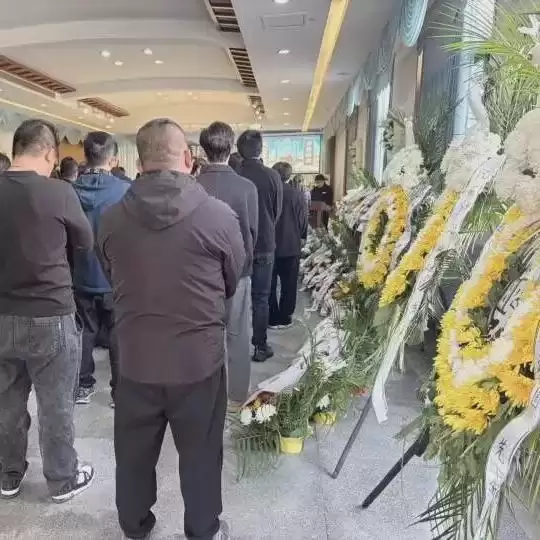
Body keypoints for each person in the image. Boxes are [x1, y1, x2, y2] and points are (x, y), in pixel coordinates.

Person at [98, 118, 245, 540]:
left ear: (140, 162)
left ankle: (134, 526)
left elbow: (110, 273)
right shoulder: (219, 216)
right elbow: (232, 277)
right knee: (201, 453)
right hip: (198, 360)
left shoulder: (111, 219)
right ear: (187, 158)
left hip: (135, 357)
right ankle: (203, 528)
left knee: (133, 453)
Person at [0, 119, 94, 502]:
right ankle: (61, 479)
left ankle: (8, 475)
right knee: (55, 403)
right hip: (51, 312)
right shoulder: (59, 192)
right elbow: (85, 241)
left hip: (2, 314)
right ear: (51, 153)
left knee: (6, 402)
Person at [198, 121, 258, 405]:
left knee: (200, 336)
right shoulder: (246, 188)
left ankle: (203, 393)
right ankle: (237, 395)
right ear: (232, 147)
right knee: (238, 335)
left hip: (198, 275)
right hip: (238, 271)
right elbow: (253, 232)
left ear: (203, 149)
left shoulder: (191, 187)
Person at [72, 132, 130, 407]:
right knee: (119, 333)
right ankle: (120, 392)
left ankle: (83, 385)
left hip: (80, 273)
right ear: (113, 159)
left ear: (85, 156)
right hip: (116, 275)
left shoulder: (69, 191)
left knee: (84, 331)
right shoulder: (125, 191)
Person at [237, 130, 283, 363]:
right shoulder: (272, 176)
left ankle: (234, 346)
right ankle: (260, 346)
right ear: (260, 149)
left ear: (238, 150)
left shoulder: (235, 175)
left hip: (238, 245)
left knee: (235, 296)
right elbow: (277, 212)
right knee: (261, 297)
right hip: (264, 243)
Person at [269, 162, 308, 329]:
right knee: (289, 284)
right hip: (291, 245)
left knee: (269, 284)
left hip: (269, 245)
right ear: (289, 175)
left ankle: (272, 318)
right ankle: (285, 317)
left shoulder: (268, 193)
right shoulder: (297, 194)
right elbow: (303, 218)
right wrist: (302, 236)